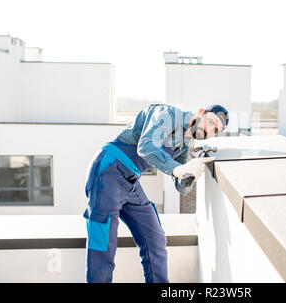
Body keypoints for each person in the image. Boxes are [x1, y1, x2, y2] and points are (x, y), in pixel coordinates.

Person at [83, 103, 229, 283]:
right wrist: (177, 169)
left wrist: (193, 170)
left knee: (155, 240)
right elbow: (146, 147)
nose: (210, 130)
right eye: (211, 122)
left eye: (216, 130)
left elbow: (181, 186)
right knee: (103, 244)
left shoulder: (184, 144)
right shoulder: (167, 115)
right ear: (201, 113)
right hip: (108, 171)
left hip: (130, 181)